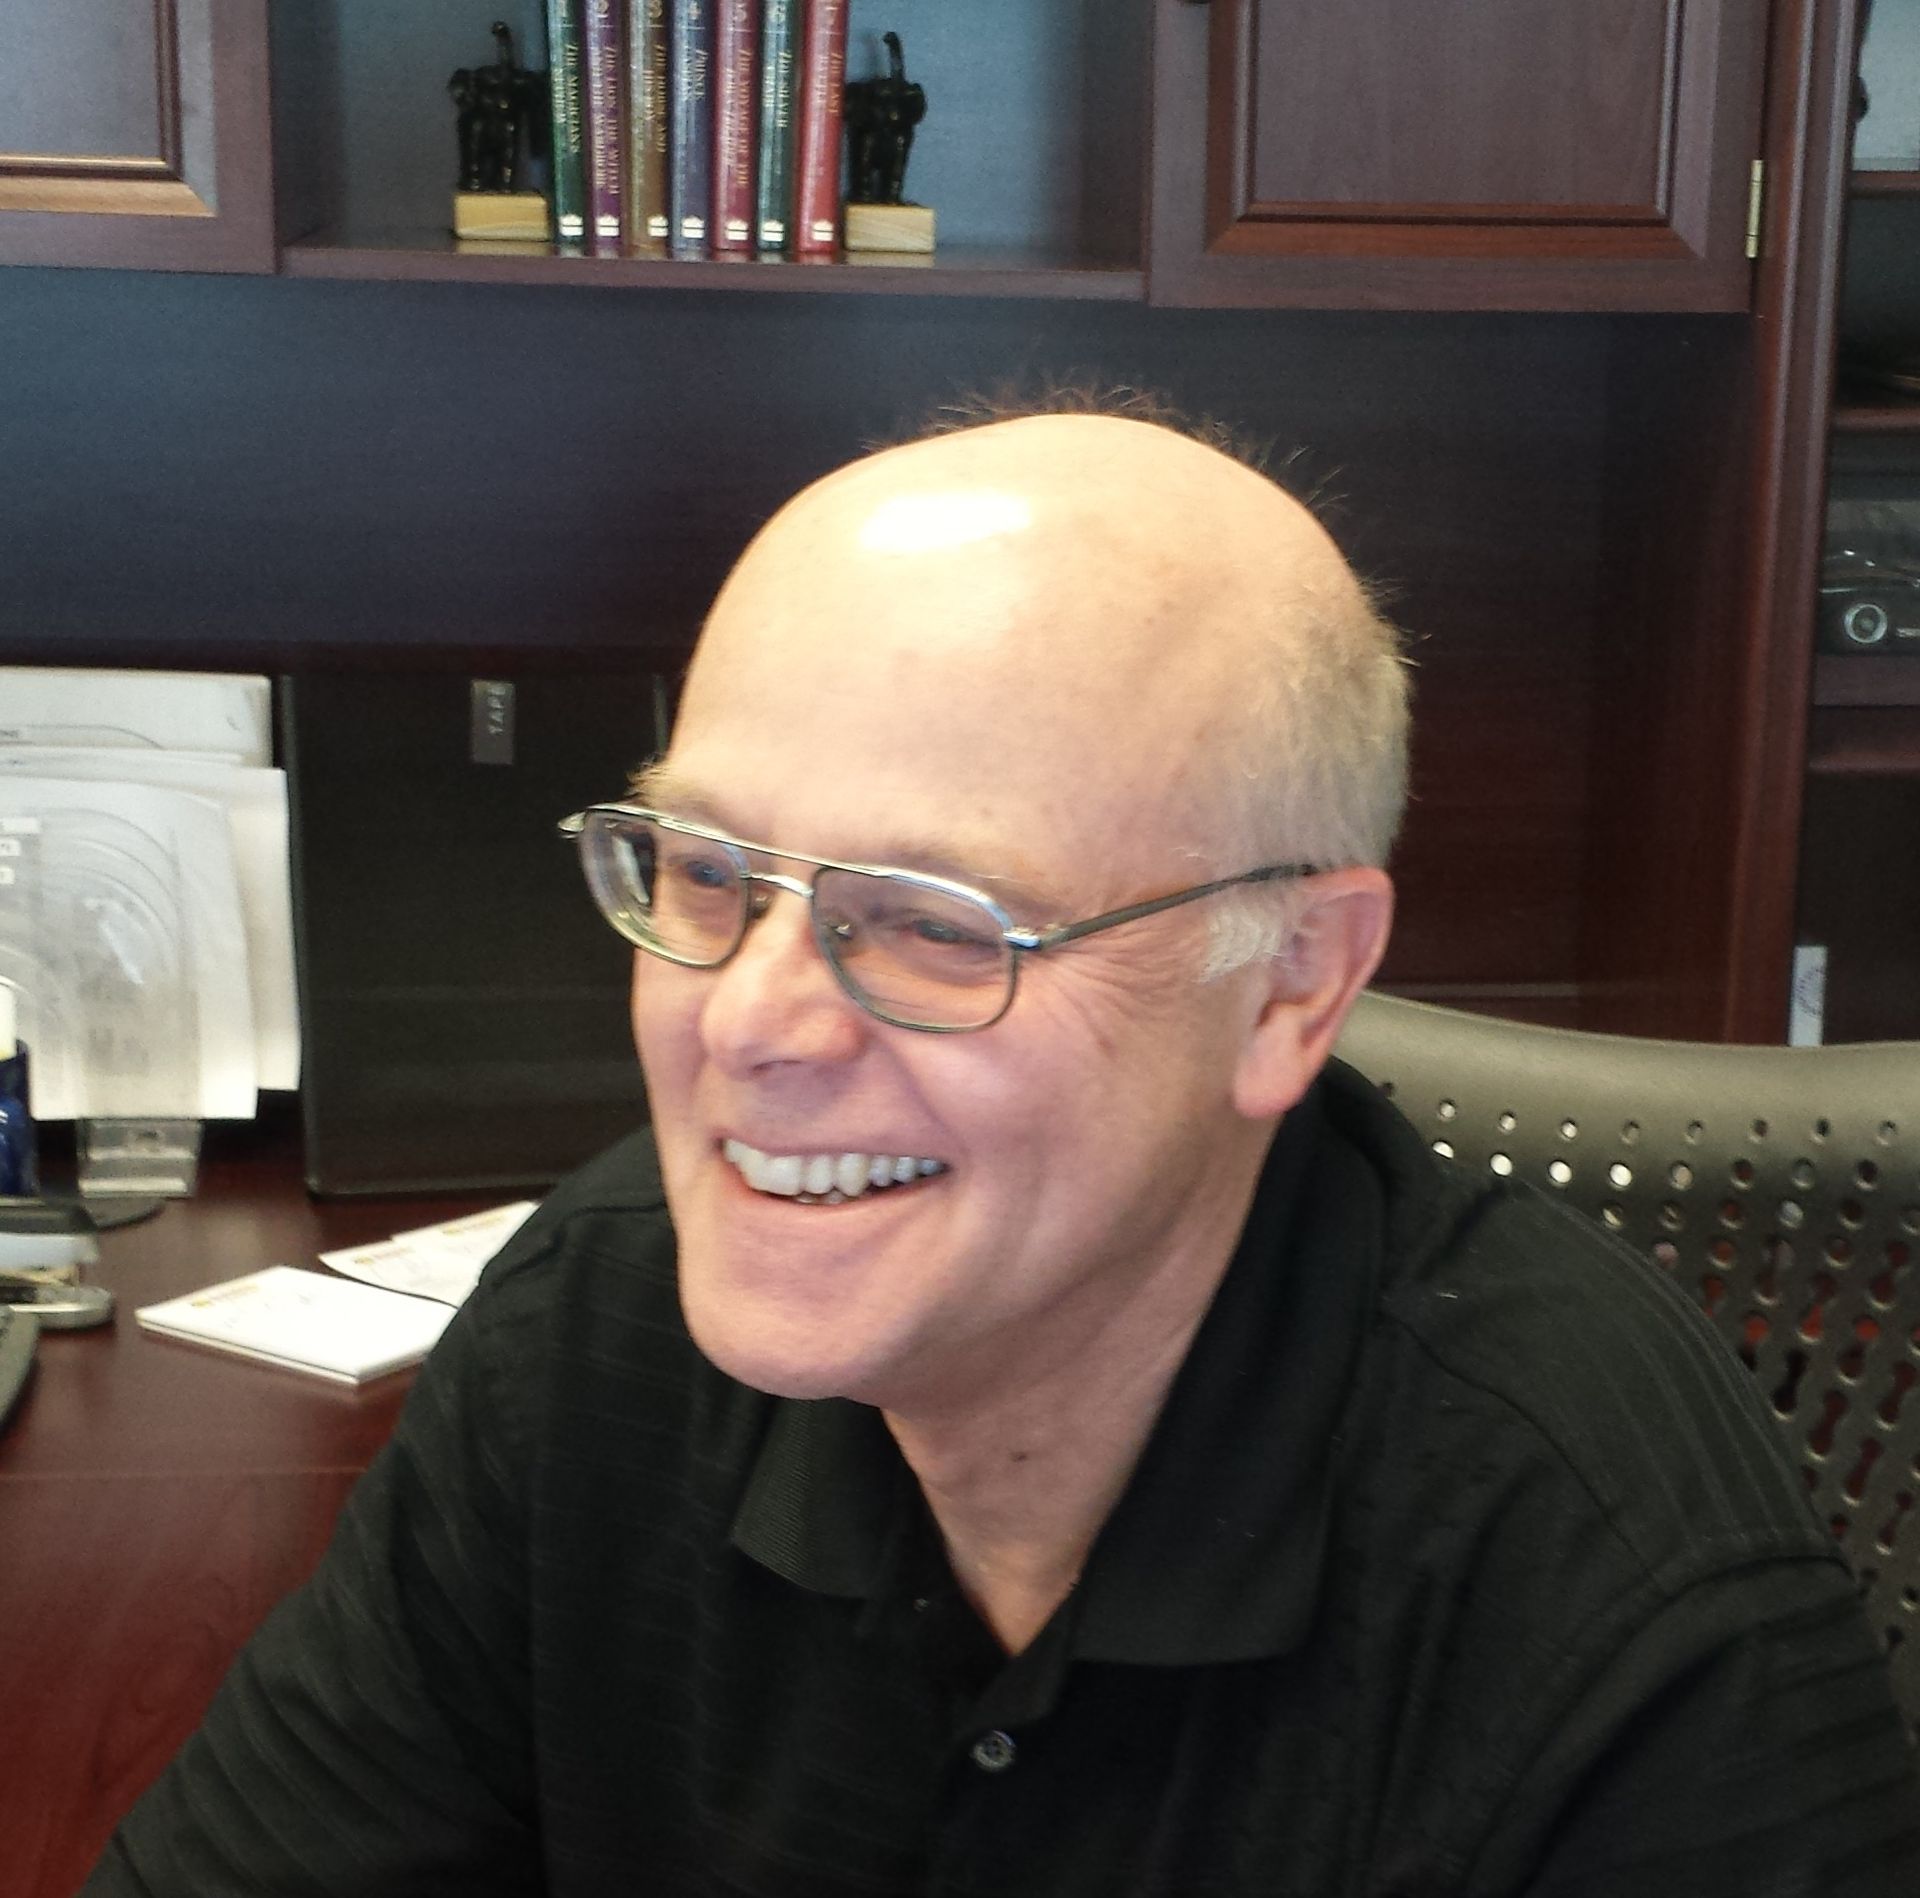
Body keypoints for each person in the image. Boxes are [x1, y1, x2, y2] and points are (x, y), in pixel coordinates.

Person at [85, 408, 1920, 1895]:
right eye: (710, 876)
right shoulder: (604, 1316)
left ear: (1294, 983)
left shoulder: (1643, 1633)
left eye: (940, 919)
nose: (749, 1028)